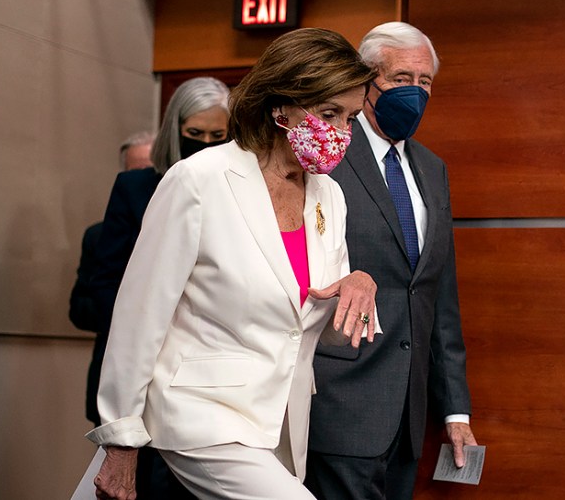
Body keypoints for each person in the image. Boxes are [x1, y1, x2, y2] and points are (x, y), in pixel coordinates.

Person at [85, 27, 378, 500]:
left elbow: (324, 324)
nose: (342, 132)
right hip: (201, 410)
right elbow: (140, 315)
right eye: (329, 114)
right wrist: (119, 438)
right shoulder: (199, 180)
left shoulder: (330, 195)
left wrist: (359, 285)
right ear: (280, 104)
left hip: (281, 418)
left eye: (350, 117)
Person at [305, 22, 477, 500]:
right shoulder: (328, 154)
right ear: (368, 82)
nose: (415, 93)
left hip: (406, 411)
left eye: (425, 83)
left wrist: (455, 412)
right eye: (402, 80)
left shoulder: (431, 167)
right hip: (338, 397)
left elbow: (438, 295)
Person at [76, 77, 231, 498]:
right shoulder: (136, 188)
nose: (205, 143)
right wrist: (146, 332)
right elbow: (106, 283)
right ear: (174, 130)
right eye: (194, 134)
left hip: (205, 378)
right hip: (141, 371)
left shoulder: (236, 194)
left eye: (218, 136)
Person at [69, 130, 156, 333]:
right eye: (135, 172)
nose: (143, 180)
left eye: (150, 171)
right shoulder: (97, 236)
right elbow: (79, 309)